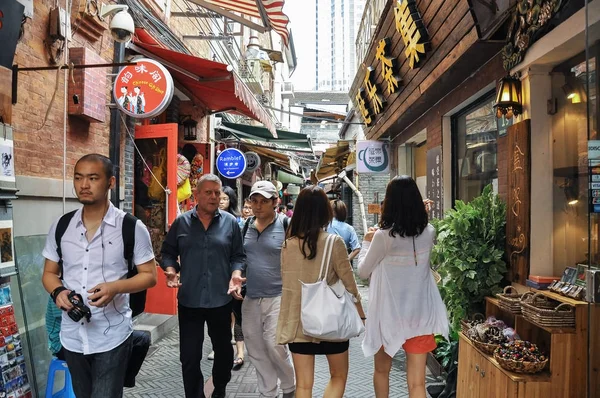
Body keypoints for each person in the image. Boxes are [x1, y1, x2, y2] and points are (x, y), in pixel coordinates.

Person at [41, 154, 157, 398]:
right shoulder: (61, 226)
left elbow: (149, 276)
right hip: (72, 336)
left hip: (112, 335)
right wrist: (59, 292)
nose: (84, 185)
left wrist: (114, 287)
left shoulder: (131, 227)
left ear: (110, 182)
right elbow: (50, 273)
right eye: (78, 178)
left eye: (93, 178)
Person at [357, 176, 448, 398]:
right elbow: (416, 232)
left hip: (387, 316)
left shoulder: (383, 236)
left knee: (381, 371)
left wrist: (367, 241)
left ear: (389, 202)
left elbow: (363, 271)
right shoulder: (430, 233)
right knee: (417, 383)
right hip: (419, 316)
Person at [276, 186, 366, 398]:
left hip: (298, 323)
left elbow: (286, 282)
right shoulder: (334, 243)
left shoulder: (287, 245)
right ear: (326, 211)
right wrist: (361, 314)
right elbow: (350, 284)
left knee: (304, 386)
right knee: (338, 376)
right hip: (329, 321)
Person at [161, 174, 246, 398]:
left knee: (224, 353)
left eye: (217, 192)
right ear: (196, 195)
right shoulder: (182, 223)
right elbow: (168, 253)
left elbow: (239, 256)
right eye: (208, 192)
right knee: (189, 356)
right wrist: (170, 270)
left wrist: (236, 273)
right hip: (190, 300)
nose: (214, 196)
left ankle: (220, 387)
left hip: (220, 299)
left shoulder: (230, 223)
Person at [229, 181, 296, 398]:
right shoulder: (245, 226)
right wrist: (236, 277)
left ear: (275, 202)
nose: (258, 206)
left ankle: (289, 387)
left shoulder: (286, 225)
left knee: (274, 344)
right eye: (254, 201)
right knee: (255, 348)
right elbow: (238, 258)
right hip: (251, 296)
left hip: (279, 295)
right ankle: (268, 391)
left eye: (264, 201)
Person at [216, 185, 246, 369]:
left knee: (236, 312)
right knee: (223, 313)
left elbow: (240, 253)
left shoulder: (239, 223)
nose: (220, 201)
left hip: (235, 275)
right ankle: (221, 346)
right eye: (219, 198)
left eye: (225, 199)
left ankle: (240, 351)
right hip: (219, 275)